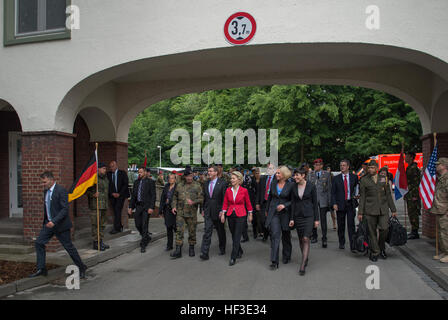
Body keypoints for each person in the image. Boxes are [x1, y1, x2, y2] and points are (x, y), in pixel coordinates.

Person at [29, 172, 87, 279]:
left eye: (45, 182)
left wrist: (54, 221)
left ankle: (82, 267)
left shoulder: (61, 191)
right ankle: (41, 269)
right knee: (39, 243)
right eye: (42, 182)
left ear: (51, 180)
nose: (43, 184)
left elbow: (65, 209)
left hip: (61, 225)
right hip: (48, 225)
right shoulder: (45, 191)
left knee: (69, 248)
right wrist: (48, 221)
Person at [358, 160, 397, 261]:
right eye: (369, 168)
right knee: (372, 232)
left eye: (372, 168)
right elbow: (362, 197)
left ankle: (381, 247)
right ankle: (375, 252)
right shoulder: (364, 180)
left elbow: (388, 194)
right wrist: (360, 212)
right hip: (369, 209)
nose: (370, 170)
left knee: (384, 228)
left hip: (383, 209)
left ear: (377, 168)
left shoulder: (383, 179)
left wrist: (393, 209)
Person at [289, 169, 319, 275]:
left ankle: (302, 264)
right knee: (301, 239)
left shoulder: (311, 186)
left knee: (306, 238)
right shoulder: (293, 186)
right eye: (294, 175)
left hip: (309, 216)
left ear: (303, 175)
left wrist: (316, 219)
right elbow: (292, 203)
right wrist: (292, 218)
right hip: (298, 216)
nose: (295, 177)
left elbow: (315, 203)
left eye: (297, 175)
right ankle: (305, 258)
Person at [221, 171, 253, 266]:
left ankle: (233, 257)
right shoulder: (228, 190)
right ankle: (240, 250)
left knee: (237, 235)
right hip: (230, 214)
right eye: (231, 178)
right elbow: (225, 203)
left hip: (241, 214)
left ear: (239, 180)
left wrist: (250, 214)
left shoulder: (244, 190)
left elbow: (248, 203)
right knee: (233, 234)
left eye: (233, 178)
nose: (231, 180)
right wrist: (223, 214)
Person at [170, 170, 204, 258]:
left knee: (192, 231)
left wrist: (193, 202)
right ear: (185, 177)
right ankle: (178, 250)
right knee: (179, 231)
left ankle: (191, 248)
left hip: (192, 213)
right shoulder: (180, 185)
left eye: (191, 176)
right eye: (187, 176)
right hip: (180, 213)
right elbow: (174, 196)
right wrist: (173, 206)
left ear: (192, 176)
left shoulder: (197, 185)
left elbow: (201, 198)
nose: (189, 178)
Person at [265, 166, 293, 270]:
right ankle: (274, 260)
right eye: (276, 173)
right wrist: (267, 210)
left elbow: (293, 201)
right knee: (275, 235)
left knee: (286, 235)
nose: (276, 175)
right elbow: (270, 199)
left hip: (286, 213)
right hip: (274, 213)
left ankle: (287, 255)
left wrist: (285, 205)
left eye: (278, 173)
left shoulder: (291, 185)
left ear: (284, 174)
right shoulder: (273, 184)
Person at [331, 159, 359, 252]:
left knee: (351, 225)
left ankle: (353, 245)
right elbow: (333, 193)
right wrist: (334, 203)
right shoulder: (336, 178)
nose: (342, 167)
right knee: (341, 224)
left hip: (350, 203)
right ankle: (341, 242)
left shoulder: (354, 177)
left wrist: (357, 195)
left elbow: (357, 189)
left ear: (348, 167)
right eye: (341, 165)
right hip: (340, 204)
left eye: (344, 165)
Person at [200, 166, 227, 260]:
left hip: (218, 211)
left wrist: (223, 211)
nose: (209, 173)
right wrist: (203, 209)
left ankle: (222, 247)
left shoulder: (223, 183)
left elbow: (225, 199)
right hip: (208, 211)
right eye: (208, 171)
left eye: (211, 171)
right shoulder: (206, 183)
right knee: (207, 231)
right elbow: (205, 198)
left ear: (216, 172)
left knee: (220, 231)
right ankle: (204, 252)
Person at [128, 168, 156, 253]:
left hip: (146, 207)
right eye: (138, 172)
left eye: (141, 172)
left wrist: (151, 207)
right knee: (137, 224)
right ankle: (146, 236)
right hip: (138, 206)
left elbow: (153, 196)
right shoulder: (136, 182)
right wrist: (130, 207)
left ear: (145, 172)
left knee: (144, 224)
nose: (139, 173)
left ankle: (143, 244)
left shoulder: (150, 182)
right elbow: (133, 196)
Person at [86, 162, 110, 251]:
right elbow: (86, 190)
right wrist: (93, 194)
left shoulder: (105, 179)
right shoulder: (94, 178)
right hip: (95, 205)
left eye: (105, 168)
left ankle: (100, 241)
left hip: (104, 204)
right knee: (96, 224)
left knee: (102, 224)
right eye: (103, 168)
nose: (105, 170)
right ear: (98, 169)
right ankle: (96, 242)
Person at [308, 159, 332, 247]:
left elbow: (329, 188)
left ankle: (324, 238)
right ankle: (314, 236)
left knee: (323, 220)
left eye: (318, 165)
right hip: (313, 200)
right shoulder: (310, 174)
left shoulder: (326, 174)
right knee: (314, 218)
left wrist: (329, 201)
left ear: (321, 166)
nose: (316, 166)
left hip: (323, 200)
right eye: (315, 165)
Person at [430, 158, 448, 263]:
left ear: (444, 165)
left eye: (439, 164)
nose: (436, 166)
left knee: (445, 232)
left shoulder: (446, 179)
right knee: (441, 232)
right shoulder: (441, 178)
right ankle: (444, 251)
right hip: (440, 209)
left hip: (445, 210)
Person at [256, 163, 276, 241]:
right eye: (268, 168)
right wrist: (257, 202)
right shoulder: (263, 179)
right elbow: (259, 191)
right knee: (263, 220)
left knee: (271, 220)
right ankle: (266, 234)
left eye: (270, 168)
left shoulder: (276, 179)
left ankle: (272, 237)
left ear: (274, 170)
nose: (269, 170)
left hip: (272, 202)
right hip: (264, 202)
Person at [108, 161, 129, 234]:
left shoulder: (122, 173)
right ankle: (120, 226)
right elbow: (107, 186)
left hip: (121, 196)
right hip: (112, 196)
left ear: (116, 166)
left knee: (117, 210)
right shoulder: (108, 174)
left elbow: (125, 184)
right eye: (110, 167)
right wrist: (112, 193)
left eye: (113, 166)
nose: (111, 168)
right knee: (116, 211)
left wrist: (119, 194)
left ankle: (116, 228)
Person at [405, 151, 422, 240]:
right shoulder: (409, 167)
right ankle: (413, 230)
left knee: (413, 213)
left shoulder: (413, 168)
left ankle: (415, 232)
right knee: (411, 213)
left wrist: (415, 195)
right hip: (410, 194)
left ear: (411, 157)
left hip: (413, 194)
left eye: (407, 156)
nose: (405, 158)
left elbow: (416, 183)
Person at [159, 173, 177, 251]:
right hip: (167, 209)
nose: (170, 179)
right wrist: (160, 210)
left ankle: (179, 244)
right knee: (168, 227)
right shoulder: (166, 186)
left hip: (175, 210)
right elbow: (162, 198)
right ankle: (169, 245)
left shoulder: (177, 187)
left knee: (176, 228)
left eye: (172, 178)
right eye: (169, 178)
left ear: (175, 179)